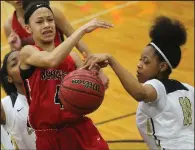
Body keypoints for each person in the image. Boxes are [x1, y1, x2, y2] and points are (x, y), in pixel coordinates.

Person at [82, 16, 194, 149]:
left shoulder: (157, 87)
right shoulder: (188, 90)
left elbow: (139, 93)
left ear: (162, 66)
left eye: (145, 61)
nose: (139, 65)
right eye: (140, 59)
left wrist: (110, 59)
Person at [19, 1, 113, 149]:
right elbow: (51, 60)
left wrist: (94, 74)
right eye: (39, 22)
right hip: (48, 135)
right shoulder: (27, 52)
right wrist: (81, 30)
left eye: (50, 20)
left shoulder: (73, 58)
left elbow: (87, 92)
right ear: (28, 28)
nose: (47, 25)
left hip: (79, 127)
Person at [3, 0, 109, 88]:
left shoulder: (50, 12)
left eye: (49, 20)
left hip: (64, 67)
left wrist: (97, 68)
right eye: (39, 22)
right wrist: (14, 48)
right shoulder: (9, 25)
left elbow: (76, 39)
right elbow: (20, 60)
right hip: (39, 77)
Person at [1, 51, 36, 149]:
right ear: (9, 79)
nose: (21, 63)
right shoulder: (8, 105)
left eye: (23, 58)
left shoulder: (53, 88)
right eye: (14, 63)